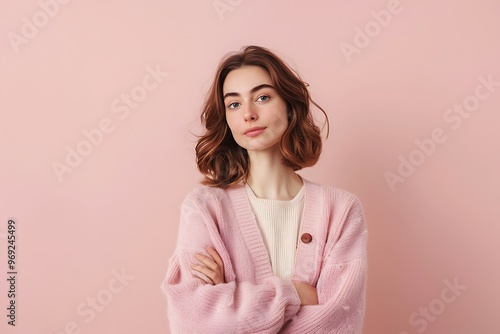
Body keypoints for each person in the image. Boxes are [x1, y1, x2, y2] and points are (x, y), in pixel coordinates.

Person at [161, 45, 368, 333]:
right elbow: (194, 322)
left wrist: (232, 295)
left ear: (289, 105)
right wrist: (299, 294)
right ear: (226, 119)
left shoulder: (340, 210)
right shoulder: (205, 208)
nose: (248, 114)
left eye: (262, 97)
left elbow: (339, 322)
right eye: (234, 104)